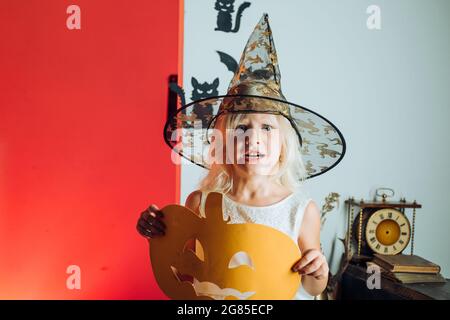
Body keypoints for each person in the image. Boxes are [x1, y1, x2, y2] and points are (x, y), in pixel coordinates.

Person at [137, 13, 346, 300]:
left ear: (283, 144)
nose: (254, 138)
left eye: (267, 128)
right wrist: (160, 232)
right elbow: (187, 274)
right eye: (242, 128)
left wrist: (318, 270)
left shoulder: (300, 210)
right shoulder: (200, 201)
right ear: (222, 142)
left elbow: (311, 287)